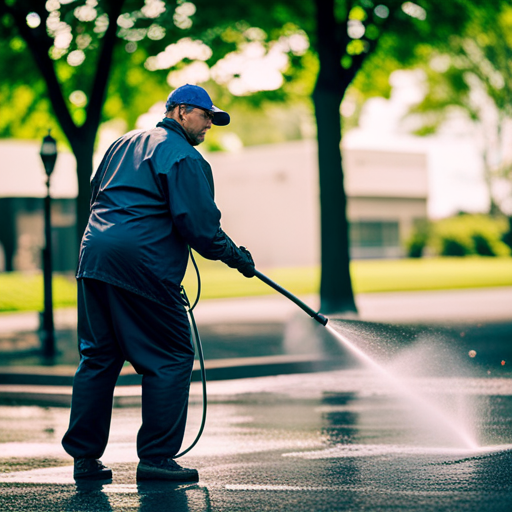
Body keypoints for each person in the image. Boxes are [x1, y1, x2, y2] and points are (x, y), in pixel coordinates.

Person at [62, 84, 255, 483]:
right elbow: (200, 228)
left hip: (94, 256)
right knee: (171, 355)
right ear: (182, 111)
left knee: (98, 357)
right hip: (143, 262)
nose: (208, 127)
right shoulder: (184, 156)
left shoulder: (121, 143)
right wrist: (237, 257)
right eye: (205, 117)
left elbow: (98, 194)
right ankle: (156, 458)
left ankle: (85, 459)